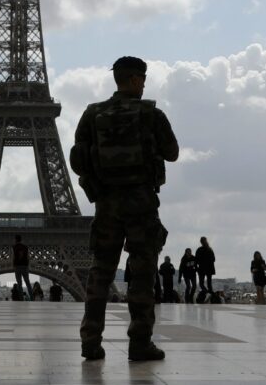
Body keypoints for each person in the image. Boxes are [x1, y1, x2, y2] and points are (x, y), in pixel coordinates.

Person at [69, 56, 179, 362]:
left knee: (100, 273)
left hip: (106, 204)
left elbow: (77, 160)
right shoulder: (150, 113)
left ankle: (90, 341)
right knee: (143, 274)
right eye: (142, 79)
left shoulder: (93, 114)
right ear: (133, 80)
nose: (144, 85)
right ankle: (140, 342)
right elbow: (172, 152)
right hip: (141, 204)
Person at [12, 235, 30, 300]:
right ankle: (32, 297)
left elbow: (13, 257)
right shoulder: (25, 247)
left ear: (16, 240)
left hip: (17, 266)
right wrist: (27, 265)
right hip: (25, 266)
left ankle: (21, 298)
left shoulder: (14, 247)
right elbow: (28, 257)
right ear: (21, 240)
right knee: (27, 282)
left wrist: (14, 265)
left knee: (19, 284)